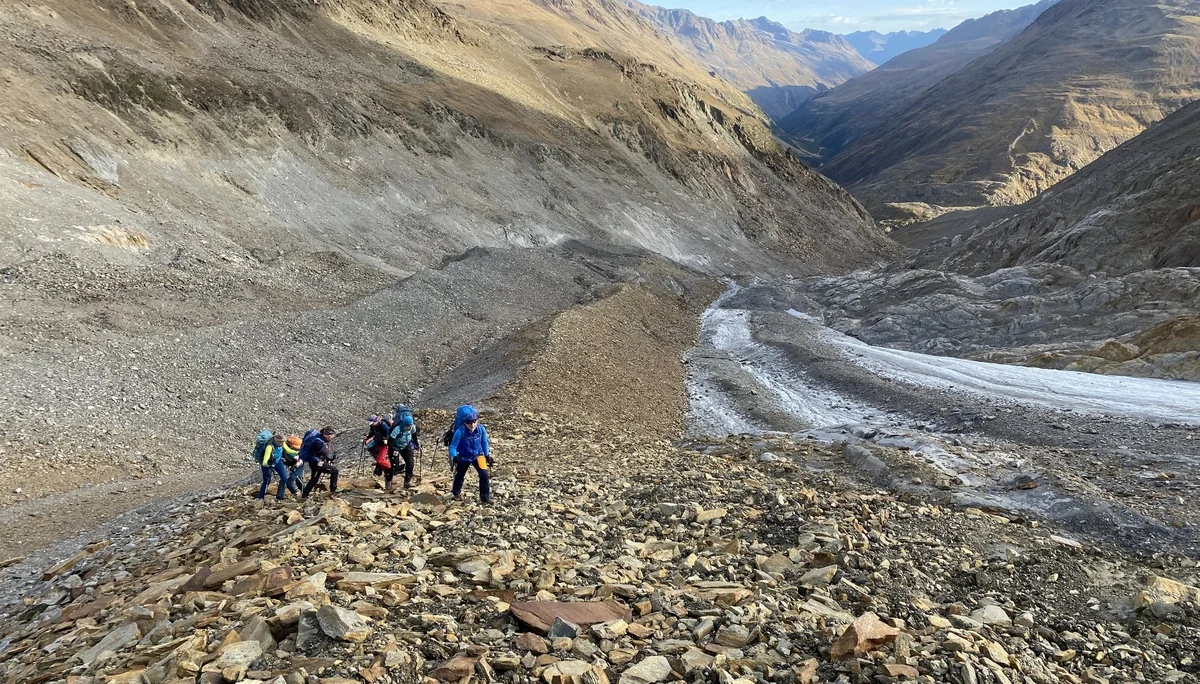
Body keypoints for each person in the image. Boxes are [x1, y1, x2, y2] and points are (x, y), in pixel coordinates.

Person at [448, 406, 491, 503]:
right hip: (463, 457)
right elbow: (453, 446)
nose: (472, 425)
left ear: (477, 421)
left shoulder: (481, 429)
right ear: (465, 422)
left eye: (474, 422)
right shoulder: (460, 431)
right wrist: (454, 456)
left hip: (478, 455)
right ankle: (456, 493)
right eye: (469, 422)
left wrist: (487, 455)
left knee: (484, 475)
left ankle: (485, 497)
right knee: (460, 475)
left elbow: (484, 442)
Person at [301, 426, 339, 498]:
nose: (331, 436)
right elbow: (312, 455)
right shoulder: (318, 443)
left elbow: (322, 453)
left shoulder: (325, 440)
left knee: (314, 479)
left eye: (332, 435)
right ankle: (333, 491)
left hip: (318, 462)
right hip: (316, 463)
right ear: (325, 434)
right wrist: (318, 461)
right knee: (334, 471)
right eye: (329, 434)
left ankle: (304, 495)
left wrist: (328, 459)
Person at [387, 413, 419, 490]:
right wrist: (394, 449)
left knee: (410, 464)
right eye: (408, 426)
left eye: (410, 426)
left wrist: (417, 445)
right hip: (395, 447)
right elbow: (390, 442)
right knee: (394, 467)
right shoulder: (397, 429)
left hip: (406, 445)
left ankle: (407, 482)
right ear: (404, 425)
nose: (409, 428)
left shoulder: (412, 427)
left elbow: (414, 436)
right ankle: (388, 481)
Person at [256, 433, 290, 501]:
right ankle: (260, 497)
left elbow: (289, 451)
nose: (281, 444)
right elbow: (266, 459)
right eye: (280, 442)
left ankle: (280, 496)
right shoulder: (270, 446)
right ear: (275, 440)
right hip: (268, 464)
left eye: (282, 442)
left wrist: (299, 454)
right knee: (266, 481)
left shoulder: (282, 444)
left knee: (284, 478)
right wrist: (266, 464)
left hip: (277, 461)